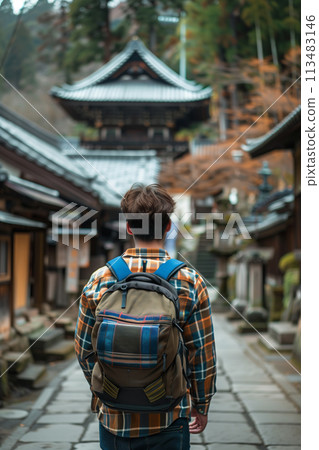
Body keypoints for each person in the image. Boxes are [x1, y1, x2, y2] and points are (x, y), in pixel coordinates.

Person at [75, 184, 217, 450]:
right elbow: (202, 352)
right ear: (168, 227)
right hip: (170, 414)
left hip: (115, 418)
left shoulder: (101, 278)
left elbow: (84, 349)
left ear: (129, 228)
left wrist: (107, 391)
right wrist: (202, 404)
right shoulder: (188, 281)